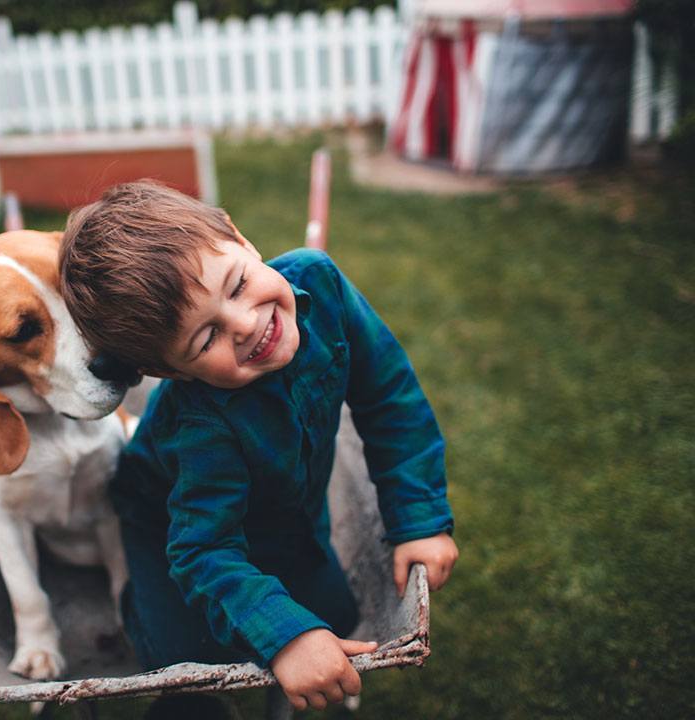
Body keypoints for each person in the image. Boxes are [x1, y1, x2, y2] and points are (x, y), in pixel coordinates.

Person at [59, 180, 458, 712]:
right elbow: (203, 548)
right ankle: (141, 609)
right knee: (188, 667)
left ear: (241, 239)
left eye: (238, 283)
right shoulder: (204, 427)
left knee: (334, 616)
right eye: (206, 340)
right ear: (169, 372)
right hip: (170, 523)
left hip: (283, 506)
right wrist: (289, 638)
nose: (248, 324)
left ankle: (280, 672)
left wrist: (419, 518)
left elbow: (390, 397)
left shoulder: (322, 285)